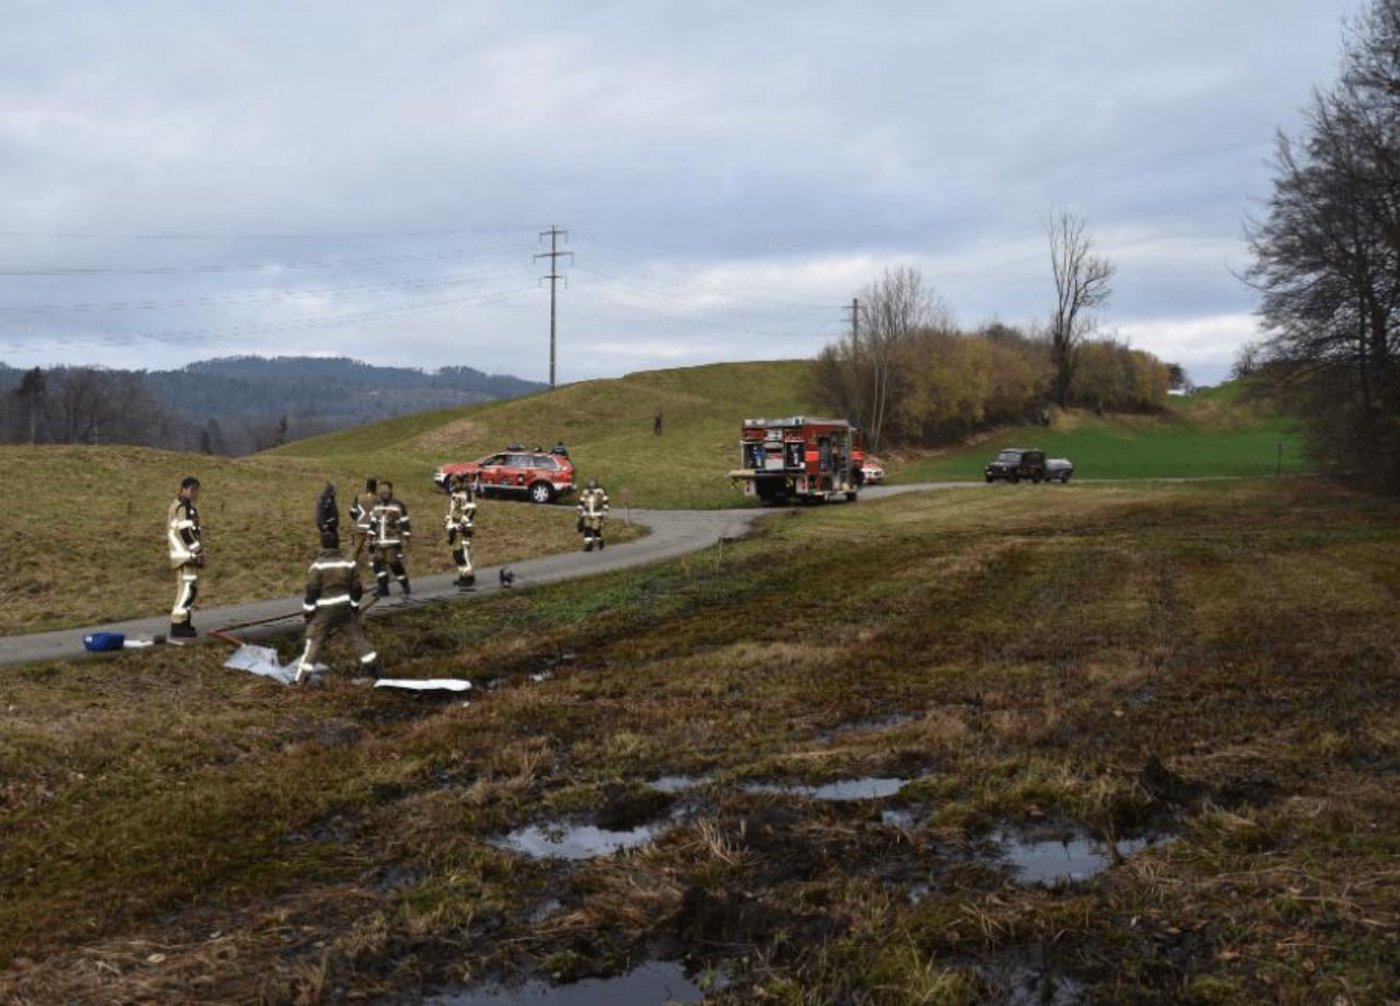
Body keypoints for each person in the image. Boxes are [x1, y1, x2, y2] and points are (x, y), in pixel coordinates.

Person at [294, 529, 382, 684]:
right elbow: (356, 587)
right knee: (358, 638)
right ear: (337, 545)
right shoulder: (346, 563)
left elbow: (312, 591)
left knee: (314, 643)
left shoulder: (317, 566)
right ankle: (373, 668)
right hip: (344, 610)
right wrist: (354, 607)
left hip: (324, 613)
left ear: (323, 545)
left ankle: (301, 680)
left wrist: (308, 612)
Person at [166, 475, 203, 639]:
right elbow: (185, 532)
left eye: (196, 490)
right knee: (186, 590)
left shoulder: (185, 506)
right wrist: (198, 550)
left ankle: (184, 621)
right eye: (192, 490)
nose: (195, 493)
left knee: (190, 589)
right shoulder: (182, 507)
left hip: (185, 555)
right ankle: (178, 624)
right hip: (185, 555)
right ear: (183, 490)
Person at [369, 479, 412, 598]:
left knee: (393, 563)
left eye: (385, 489)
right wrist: (371, 540)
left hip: (392, 541)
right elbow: (373, 523)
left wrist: (406, 537)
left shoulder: (398, 505)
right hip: (379, 541)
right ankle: (383, 588)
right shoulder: (376, 506)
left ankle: (405, 584)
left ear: (390, 490)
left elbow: (405, 522)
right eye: (381, 490)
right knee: (378, 564)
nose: (383, 492)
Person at [444, 473, 478, 589]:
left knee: (462, 551)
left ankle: (469, 576)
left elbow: (471, 511)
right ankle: (463, 574)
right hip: (455, 526)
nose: (453, 485)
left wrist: (459, 525)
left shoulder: (468, 492)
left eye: (455, 483)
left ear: (461, 482)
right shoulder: (455, 492)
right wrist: (447, 521)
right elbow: (452, 509)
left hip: (466, 526)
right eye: (451, 483)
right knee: (455, 552)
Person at [348, 477, 377, 566]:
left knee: (356, 550)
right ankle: (373, 568)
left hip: (359, 527)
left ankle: (351, 567)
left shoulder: (359, 497)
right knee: (372, 550)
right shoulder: (377, 499)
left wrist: (357, 520)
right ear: (375, 487)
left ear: (366, 486)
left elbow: (352, 511)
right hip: (372, 529)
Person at [577, 476, 609, 552]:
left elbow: (605, 501)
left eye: (593, 482)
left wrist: (605, 512)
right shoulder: (585, 491)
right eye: (590, 482)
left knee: (596, 529)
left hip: (597, 514)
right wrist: (579, 510)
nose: (591, 483)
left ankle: (600, 541)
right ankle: (588, 545)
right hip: (587, 513)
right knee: (587, 528)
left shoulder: (600, 490)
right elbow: (581, 501)